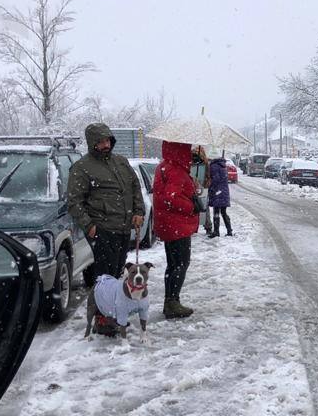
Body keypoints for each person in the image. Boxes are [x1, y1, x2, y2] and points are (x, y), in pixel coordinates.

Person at [68, 122, 145, 279]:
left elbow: (135, 186)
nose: (106, 145)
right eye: (101, 141)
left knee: (117, 274)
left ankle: (112, 303)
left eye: (108, 141)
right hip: (103, 230)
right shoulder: (82, 167)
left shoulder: (121, 162)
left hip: (123, 229)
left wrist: (139, 211)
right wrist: (89, 226)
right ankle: (101, 303)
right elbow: (74, 201)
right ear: (92, 143)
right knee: (105, 278)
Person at [153, 141, 200, 318]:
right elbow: (170, 198)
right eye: (187, 149)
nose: (189, 152)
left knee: (173, 264)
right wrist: (191, 206)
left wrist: (191, 185)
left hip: (169, 224)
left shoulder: (165, 167)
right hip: (177, 225)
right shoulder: (175, 170)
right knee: (181, 263)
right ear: (180, 150)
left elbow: (169, 194)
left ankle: (170, 301)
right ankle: (172, 302)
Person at [208, 155, 233, 237]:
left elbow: (215, 179)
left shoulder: (214, 166)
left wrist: (211, 189)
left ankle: (216, 232)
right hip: (224, 191)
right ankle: (229, 230)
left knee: (216, 212)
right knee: (223, 212)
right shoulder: (222, 165)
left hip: (217, 192)